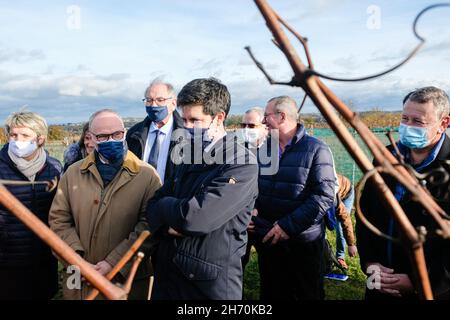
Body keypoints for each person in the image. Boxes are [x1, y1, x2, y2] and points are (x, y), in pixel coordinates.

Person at [146, 78, 259, 300]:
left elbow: (196, 219)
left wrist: (166, 209)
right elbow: (151, 206)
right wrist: (168, 216)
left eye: (195, 120)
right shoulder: (187, 155)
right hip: (169, 278)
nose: (186, 127)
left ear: (219, 118)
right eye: (184, 119)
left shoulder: (241, 163)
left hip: (207, 286)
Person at [49, 109, 162, 300]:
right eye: (103, 136)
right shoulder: (73, 173)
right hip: (79, 275)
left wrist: (113, 263)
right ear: (91, 138)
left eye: (117, 134)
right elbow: (59, 219)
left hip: (126, 277)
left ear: (124, 133)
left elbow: (148, 226)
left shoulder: (147, 175)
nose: (111, 140)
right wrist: (77, 260)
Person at [357, 86, 450, 300]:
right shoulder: (385, 157)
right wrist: (369, 263)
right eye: (404, 118)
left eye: (418, 122)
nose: (407, 126)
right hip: (379, 280)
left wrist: (420, 281)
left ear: (443, 123)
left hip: (431, 289)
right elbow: (365, 213)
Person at [253, 96, 336, 300]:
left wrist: (287, 226)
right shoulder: (264, 150)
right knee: (272, 292)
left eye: (266, 116)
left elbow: (324, 195)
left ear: (281, 117)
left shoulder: (316, 149)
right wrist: (251, 208)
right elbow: (252, 185)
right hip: (268, 239)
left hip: (302, 243)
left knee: (305, 293)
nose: (263, 121)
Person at [0, 111, 62, 300]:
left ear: (40, 139)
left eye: (25, 135)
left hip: (44, 258)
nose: (18, 140)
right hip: (7, 261)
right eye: (13, 135)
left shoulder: (54, 168)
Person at [126, 78, 184, 183]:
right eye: (149, 100)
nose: (153, 105)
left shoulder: (188, 135)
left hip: (171, 197)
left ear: (173, 104)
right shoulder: (133, 134)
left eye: (160, 100)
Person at [334, 173, 357, 270]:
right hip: (336, 191)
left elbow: (345, 220)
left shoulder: (333, 197)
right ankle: (324, 255)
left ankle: (340, 257)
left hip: (347, 192)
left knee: (340, 226)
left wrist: (351, 244)